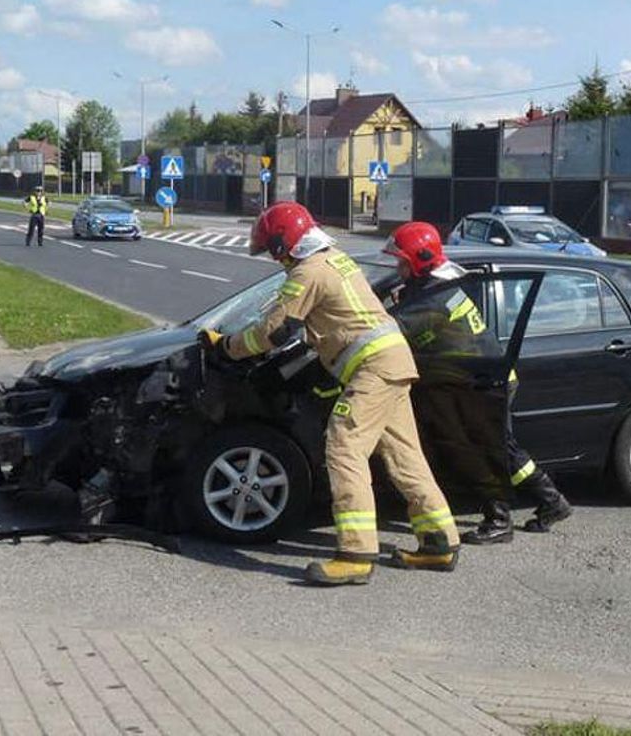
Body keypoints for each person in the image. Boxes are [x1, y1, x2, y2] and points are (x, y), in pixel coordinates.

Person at [197, 202, 460, 585]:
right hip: (393, 362)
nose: (275, 256)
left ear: (283, 242)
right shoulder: (334, 259)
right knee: (404, 455)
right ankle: (439, 541)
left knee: (343, 446)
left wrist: (226, 347)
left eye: (274, 248)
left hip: (373, 367)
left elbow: (274, 330)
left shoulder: (309, 272)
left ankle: (355, 554)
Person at [383, 221, 572, 545]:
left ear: (419, 261)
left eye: (402, 261)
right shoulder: (440, 285)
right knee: (504, 450)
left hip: (480, 382)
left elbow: (389, 331)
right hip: (486, 376)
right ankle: (552, 502)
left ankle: (499, 520)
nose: (398, 267)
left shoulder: (432, 300)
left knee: (482, 451)